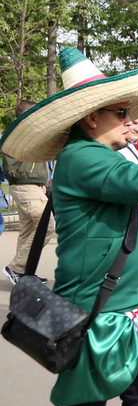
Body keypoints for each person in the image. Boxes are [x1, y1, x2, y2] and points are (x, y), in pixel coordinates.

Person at [0, 46, 138, 406]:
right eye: (121, 114)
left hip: (121, 312)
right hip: (100, 315)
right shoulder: (84, 157)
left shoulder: (91, 152)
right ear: (92, 117)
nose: (129, 122)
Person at [2, 100, 54, 285]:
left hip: (31, 186)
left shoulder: (29, 134)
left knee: (28, 230)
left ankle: (24, 273)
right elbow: (14, 168)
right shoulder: (17, 134)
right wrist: (34, 179)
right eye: (35, 112)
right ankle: (16, 268)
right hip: (25, 186)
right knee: (46, 226)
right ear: (25, 115)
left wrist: (40, 181)